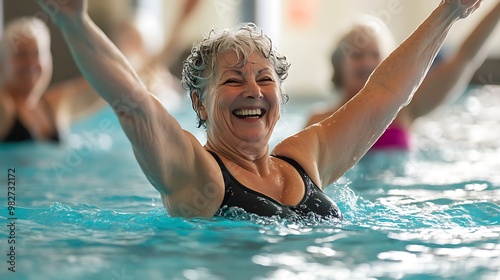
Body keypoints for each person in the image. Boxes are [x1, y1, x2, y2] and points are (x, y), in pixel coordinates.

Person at [36, 0, 483, 219]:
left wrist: (449, 11)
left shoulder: (304, 156)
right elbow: (133, 103)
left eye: (264, 79)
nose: (253, 90)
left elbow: (383, 92)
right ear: (199, 103)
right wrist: (74, 22)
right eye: (232, 81)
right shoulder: (198, 176)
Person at [306, 2, 500, 150]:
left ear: (389, 64)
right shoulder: (320, 120)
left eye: (375, 55)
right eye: (357, 55)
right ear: (338, 64)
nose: (366, 63)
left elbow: (464, 59)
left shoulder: (406, 109)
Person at [0, 17, 104, 142]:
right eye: (21, 54)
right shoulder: (4, 108)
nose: (31, 63)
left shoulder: (54, 105)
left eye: (37, 53)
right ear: (2, 63)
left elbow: (103, 86)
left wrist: (78, 20)